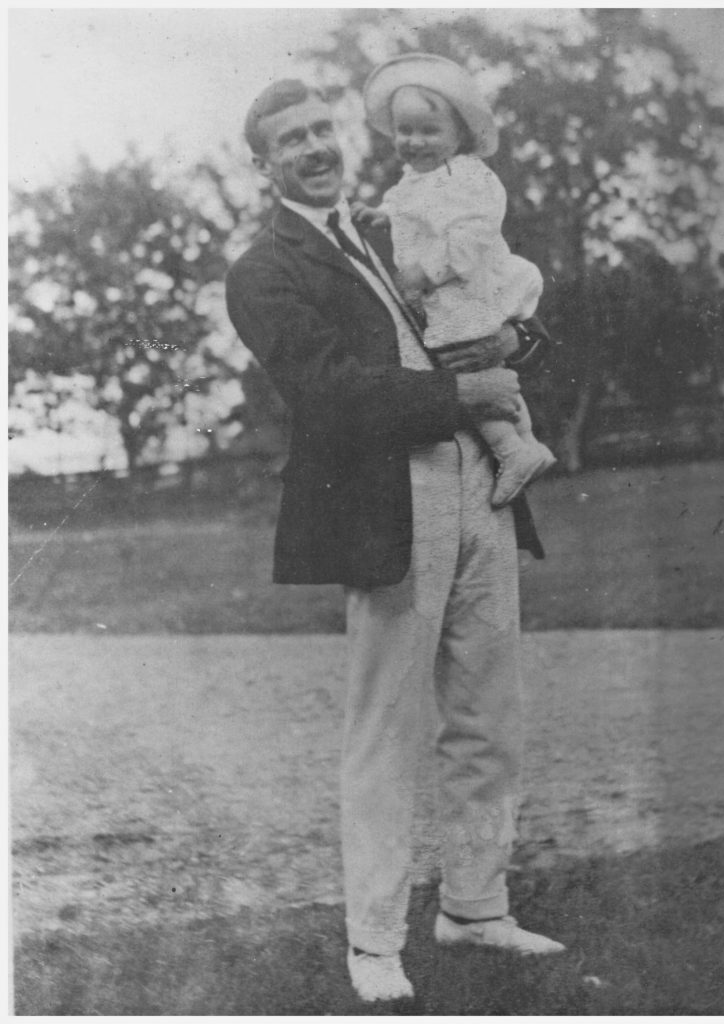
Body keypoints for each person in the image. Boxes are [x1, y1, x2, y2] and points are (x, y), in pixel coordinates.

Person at [225, 75, 565, 1005]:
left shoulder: (395, 222)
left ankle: (476, 904)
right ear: (264, 166)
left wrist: (516, 349)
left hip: (485, 483)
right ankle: (375, 944)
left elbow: (490, 297)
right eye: (289, 140)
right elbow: (330, 394)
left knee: (490, 712)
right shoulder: (266, 271)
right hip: (390, 497)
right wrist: (465, 396)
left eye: (320, 129)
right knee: (385, 728)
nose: (314, 148)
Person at [358, 53, 556, 507]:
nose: (415, 141)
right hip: (444, 296)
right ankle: (528, 446)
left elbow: (474, 234)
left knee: (463, 367)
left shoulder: (470, 179)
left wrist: (428, 271)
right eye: (405, 130)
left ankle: (512, 451)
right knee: (489, 373)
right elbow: (404, 209)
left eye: (429, 131)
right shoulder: (412, 181)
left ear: (459, 135)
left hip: (464, 290)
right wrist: (380, 216)